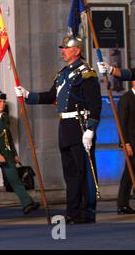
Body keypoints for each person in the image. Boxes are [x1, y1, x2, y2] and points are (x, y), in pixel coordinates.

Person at [15, 35, 102, 224]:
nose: (62, 51)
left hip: (80, 127)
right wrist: (29, 94)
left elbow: (95, 104)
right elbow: (51, 95)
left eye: (65, 48)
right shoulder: (63, 73)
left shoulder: (86, 73)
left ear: (76, 51)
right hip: (65, 127)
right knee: (70, 173)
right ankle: (72, 211)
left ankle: (86, 212)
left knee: (83, 171)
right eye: (62, 48)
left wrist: (91, 129)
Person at [0, 92, 40, 215]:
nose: (2, 104)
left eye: (4, 101)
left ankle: (27, 204)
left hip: (7, 154)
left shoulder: (5, 117)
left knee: (15, 180)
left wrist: (14, 154)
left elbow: (8, 138)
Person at [115, 81, 135, 214]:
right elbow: (121, 122)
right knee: (129, 173)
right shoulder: (126, 98)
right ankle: (122, 204)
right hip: (132, 143)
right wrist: (125, 143)